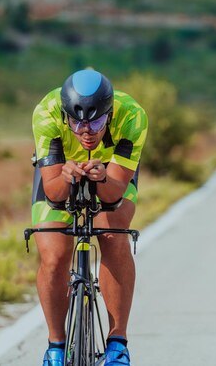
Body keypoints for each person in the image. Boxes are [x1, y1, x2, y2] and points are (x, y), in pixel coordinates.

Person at [31, 69, 147, 366]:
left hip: (112, 172)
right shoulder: (46, 112)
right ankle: (56, 346)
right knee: (53, 255)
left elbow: (114, 194)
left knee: (113, 234)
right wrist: (67, 176)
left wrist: (103, 179)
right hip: (60, 171)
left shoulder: (132, 116)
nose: (87, 131)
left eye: (96, 121)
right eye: (77, 122)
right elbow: (54, 194)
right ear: (65, 114)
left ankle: (117, 344)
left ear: (109, 114)